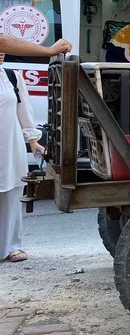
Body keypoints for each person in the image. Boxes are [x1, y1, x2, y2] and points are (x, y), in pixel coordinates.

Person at [0, 35, 72, 263]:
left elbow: (23, 111)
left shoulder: (10, 77)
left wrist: (33, 141)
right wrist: (50, 50)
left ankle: (11, 246)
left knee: (11, 192)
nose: (3, 50)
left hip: (8, 145)